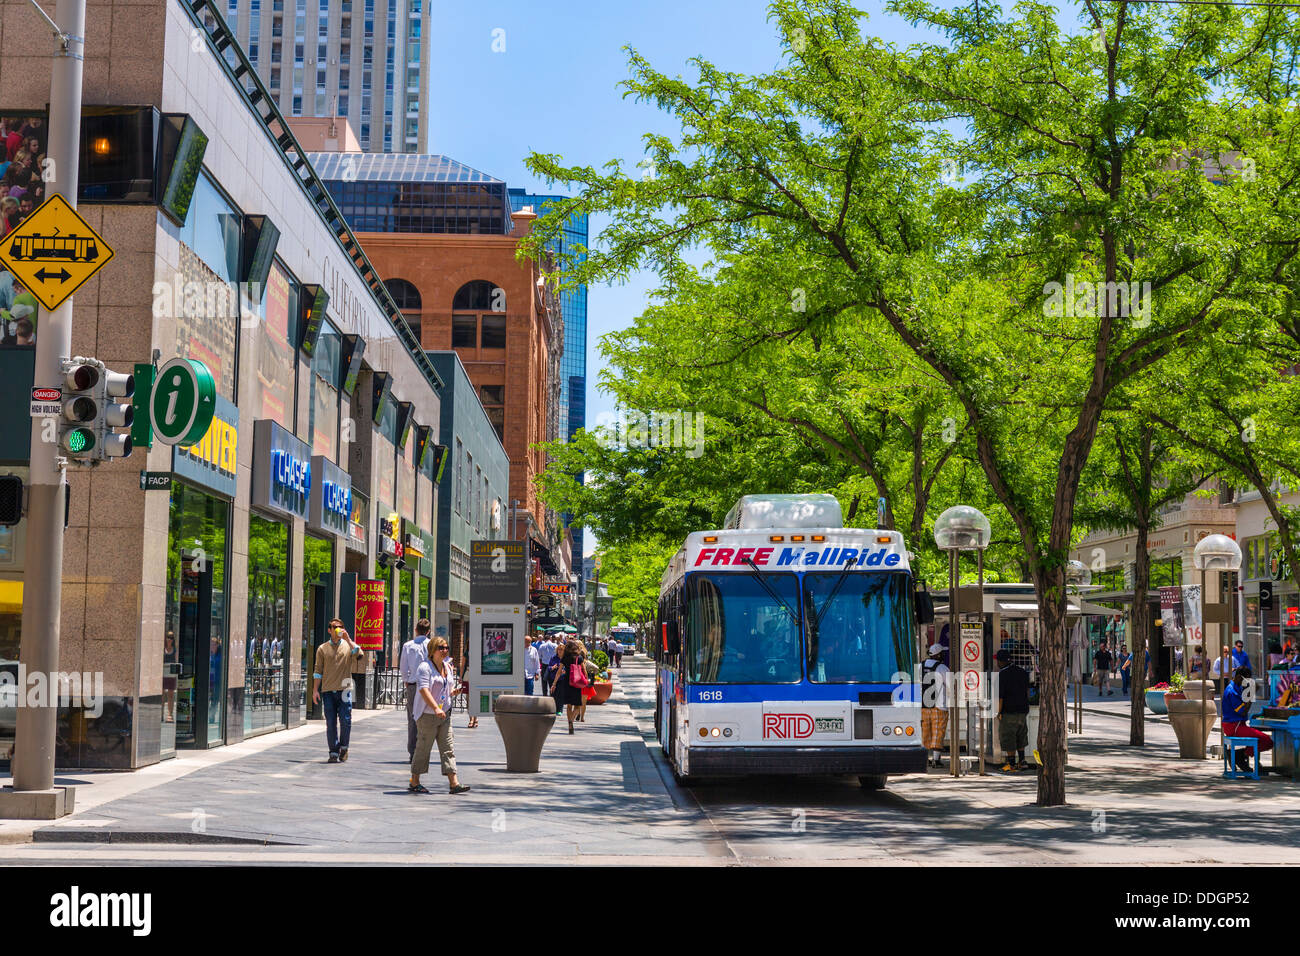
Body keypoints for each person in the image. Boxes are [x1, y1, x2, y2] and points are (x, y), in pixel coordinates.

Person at [409, 637, 470, 794]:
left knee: (448, 748)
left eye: (446, 648)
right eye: (441, 648)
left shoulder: (447, 667)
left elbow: (445, 689)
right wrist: (435, 708)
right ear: (432, 650)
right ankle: (414, 781)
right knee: (423, 748)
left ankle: (454, 783)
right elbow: (424, 690)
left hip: (445, 714)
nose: (444, 650)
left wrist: (453, 693)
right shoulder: (425, 667)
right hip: (428, 715)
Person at [312, 619, 363, 763]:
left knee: (346, 720)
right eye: (335, 627)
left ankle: (344, 747)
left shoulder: (348, 646)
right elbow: (318, 671)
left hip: (346, 689)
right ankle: (333, 752)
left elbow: (359, 654)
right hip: (328, 690)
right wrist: (315, 690)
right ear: (329, 630)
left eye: (341, 627)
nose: (338, 629)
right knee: (331, 722)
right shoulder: (322, 648)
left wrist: (348, 639)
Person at [1222, 665, 1271, 773]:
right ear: (1239, 677)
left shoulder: (1237, 686)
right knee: (1267, 740)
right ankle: (1240, 756)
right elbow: (1243, 711)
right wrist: (1251, 694)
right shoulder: (1232, 691)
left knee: (1263, 738)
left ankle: (1239, 756)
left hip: (1238, 724)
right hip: (1234, 726)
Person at [399, 619, 431, 760]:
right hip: (429, 686)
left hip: (413, 685)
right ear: (428, 631)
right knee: (428, 717)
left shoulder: (408, 646)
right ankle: (424, 750)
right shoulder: (433, 645)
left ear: (416, 630)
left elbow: (403, 667)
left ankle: (413, 751)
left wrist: (407, 680)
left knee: (413, 718)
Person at [996, 648, 1031, 772]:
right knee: (1021, 736)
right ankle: (1022, 761)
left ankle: (1011, 764)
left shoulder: (1003, 674)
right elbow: (1027, 692)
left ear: (1000, 662)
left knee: (1008, 737)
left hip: (1008, 711)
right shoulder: (1022, 672)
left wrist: (998, 712)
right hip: (1022, 710)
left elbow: (1001, 697)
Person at [921, 643, 950, 768]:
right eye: (942, 653)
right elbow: (950, 685)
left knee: (925, 732)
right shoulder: (942, 667)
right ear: (938, 655)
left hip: (923, 706)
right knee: (938, 731)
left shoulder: (919, 667)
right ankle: (936, 760)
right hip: (939, 706)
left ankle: (924, 759)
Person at [553, 639, 587, 734]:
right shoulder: (579, 658)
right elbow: (584, 670)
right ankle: (571, 720)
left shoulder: (565, 658)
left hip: (567, 682)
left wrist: (554, 683)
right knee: (577, 706)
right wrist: (586, 680)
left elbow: (559, 671)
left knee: (568, 705)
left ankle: (569, 723)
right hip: (576, 683)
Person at [458, 654, 478, 728]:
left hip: (477, 674)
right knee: (468, 699)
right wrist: (460, 677)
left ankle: (475, 718)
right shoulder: (467, 652)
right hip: (468, 673)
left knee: (475, 698)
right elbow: (462, 665)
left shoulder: (480, 648)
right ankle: (471, 719)